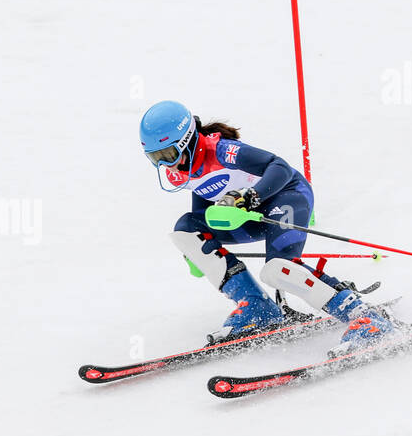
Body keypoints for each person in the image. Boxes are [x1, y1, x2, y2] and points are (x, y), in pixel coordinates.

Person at [139, 100, 393, 352]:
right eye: (155, 158)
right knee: (186, 231)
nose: (165, 165)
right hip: (249, 216)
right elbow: (202, 210)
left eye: (168, 154)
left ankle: (367, 317)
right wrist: (198, 250)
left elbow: (279, 166)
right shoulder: (180, 169)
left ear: (187, 140)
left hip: (288, 197)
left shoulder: (223, 151)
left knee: (279, 269)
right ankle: (257, 307)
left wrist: (253, 195)